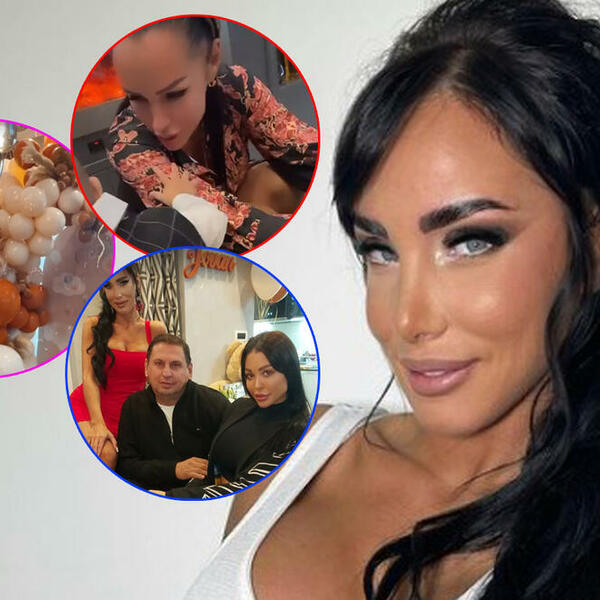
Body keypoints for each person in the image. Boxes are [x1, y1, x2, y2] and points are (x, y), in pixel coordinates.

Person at [183, 0, 600, 598]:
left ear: (592, 239)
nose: (406, 319)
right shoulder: (290, 455)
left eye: (471, 241)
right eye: (379, 250)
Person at [104, 16, 318, 253]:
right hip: (183, 249)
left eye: (175, 94)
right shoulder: (128, 143)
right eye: (136, 98)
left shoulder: (235, 85)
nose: (159, 124)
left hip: (233, 199)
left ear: (212, 59)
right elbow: (217, 228)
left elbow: (306, 148)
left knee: (283, 181)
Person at [165, 331, 311, 499]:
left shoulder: (297, 435)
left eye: (267, 373)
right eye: (249, 375)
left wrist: (171, 496)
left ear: (289, 371)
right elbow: (213, 463)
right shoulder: (240, 407)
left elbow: (246, 490)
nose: (256, 385)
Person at [69, 266, 166, 469]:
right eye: (108, 286)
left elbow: (160, 380)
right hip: (90, 408)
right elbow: (89, 377)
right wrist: (98, 423)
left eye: (123, 282)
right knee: (106, 454)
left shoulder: (156, 329)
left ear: (137, 281)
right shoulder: (93, 325)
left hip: (129, 415)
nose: (117, 295)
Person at [116, 334, 230, 492]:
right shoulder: (133, 406)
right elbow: (126, 466)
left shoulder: (215, 404)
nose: (167, 373)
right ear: (146, 367)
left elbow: (230, 461)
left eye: (175, 365)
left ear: (189, 370)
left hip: (200, 497)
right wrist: (175, 470)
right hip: (150, 495)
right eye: (159, 364)